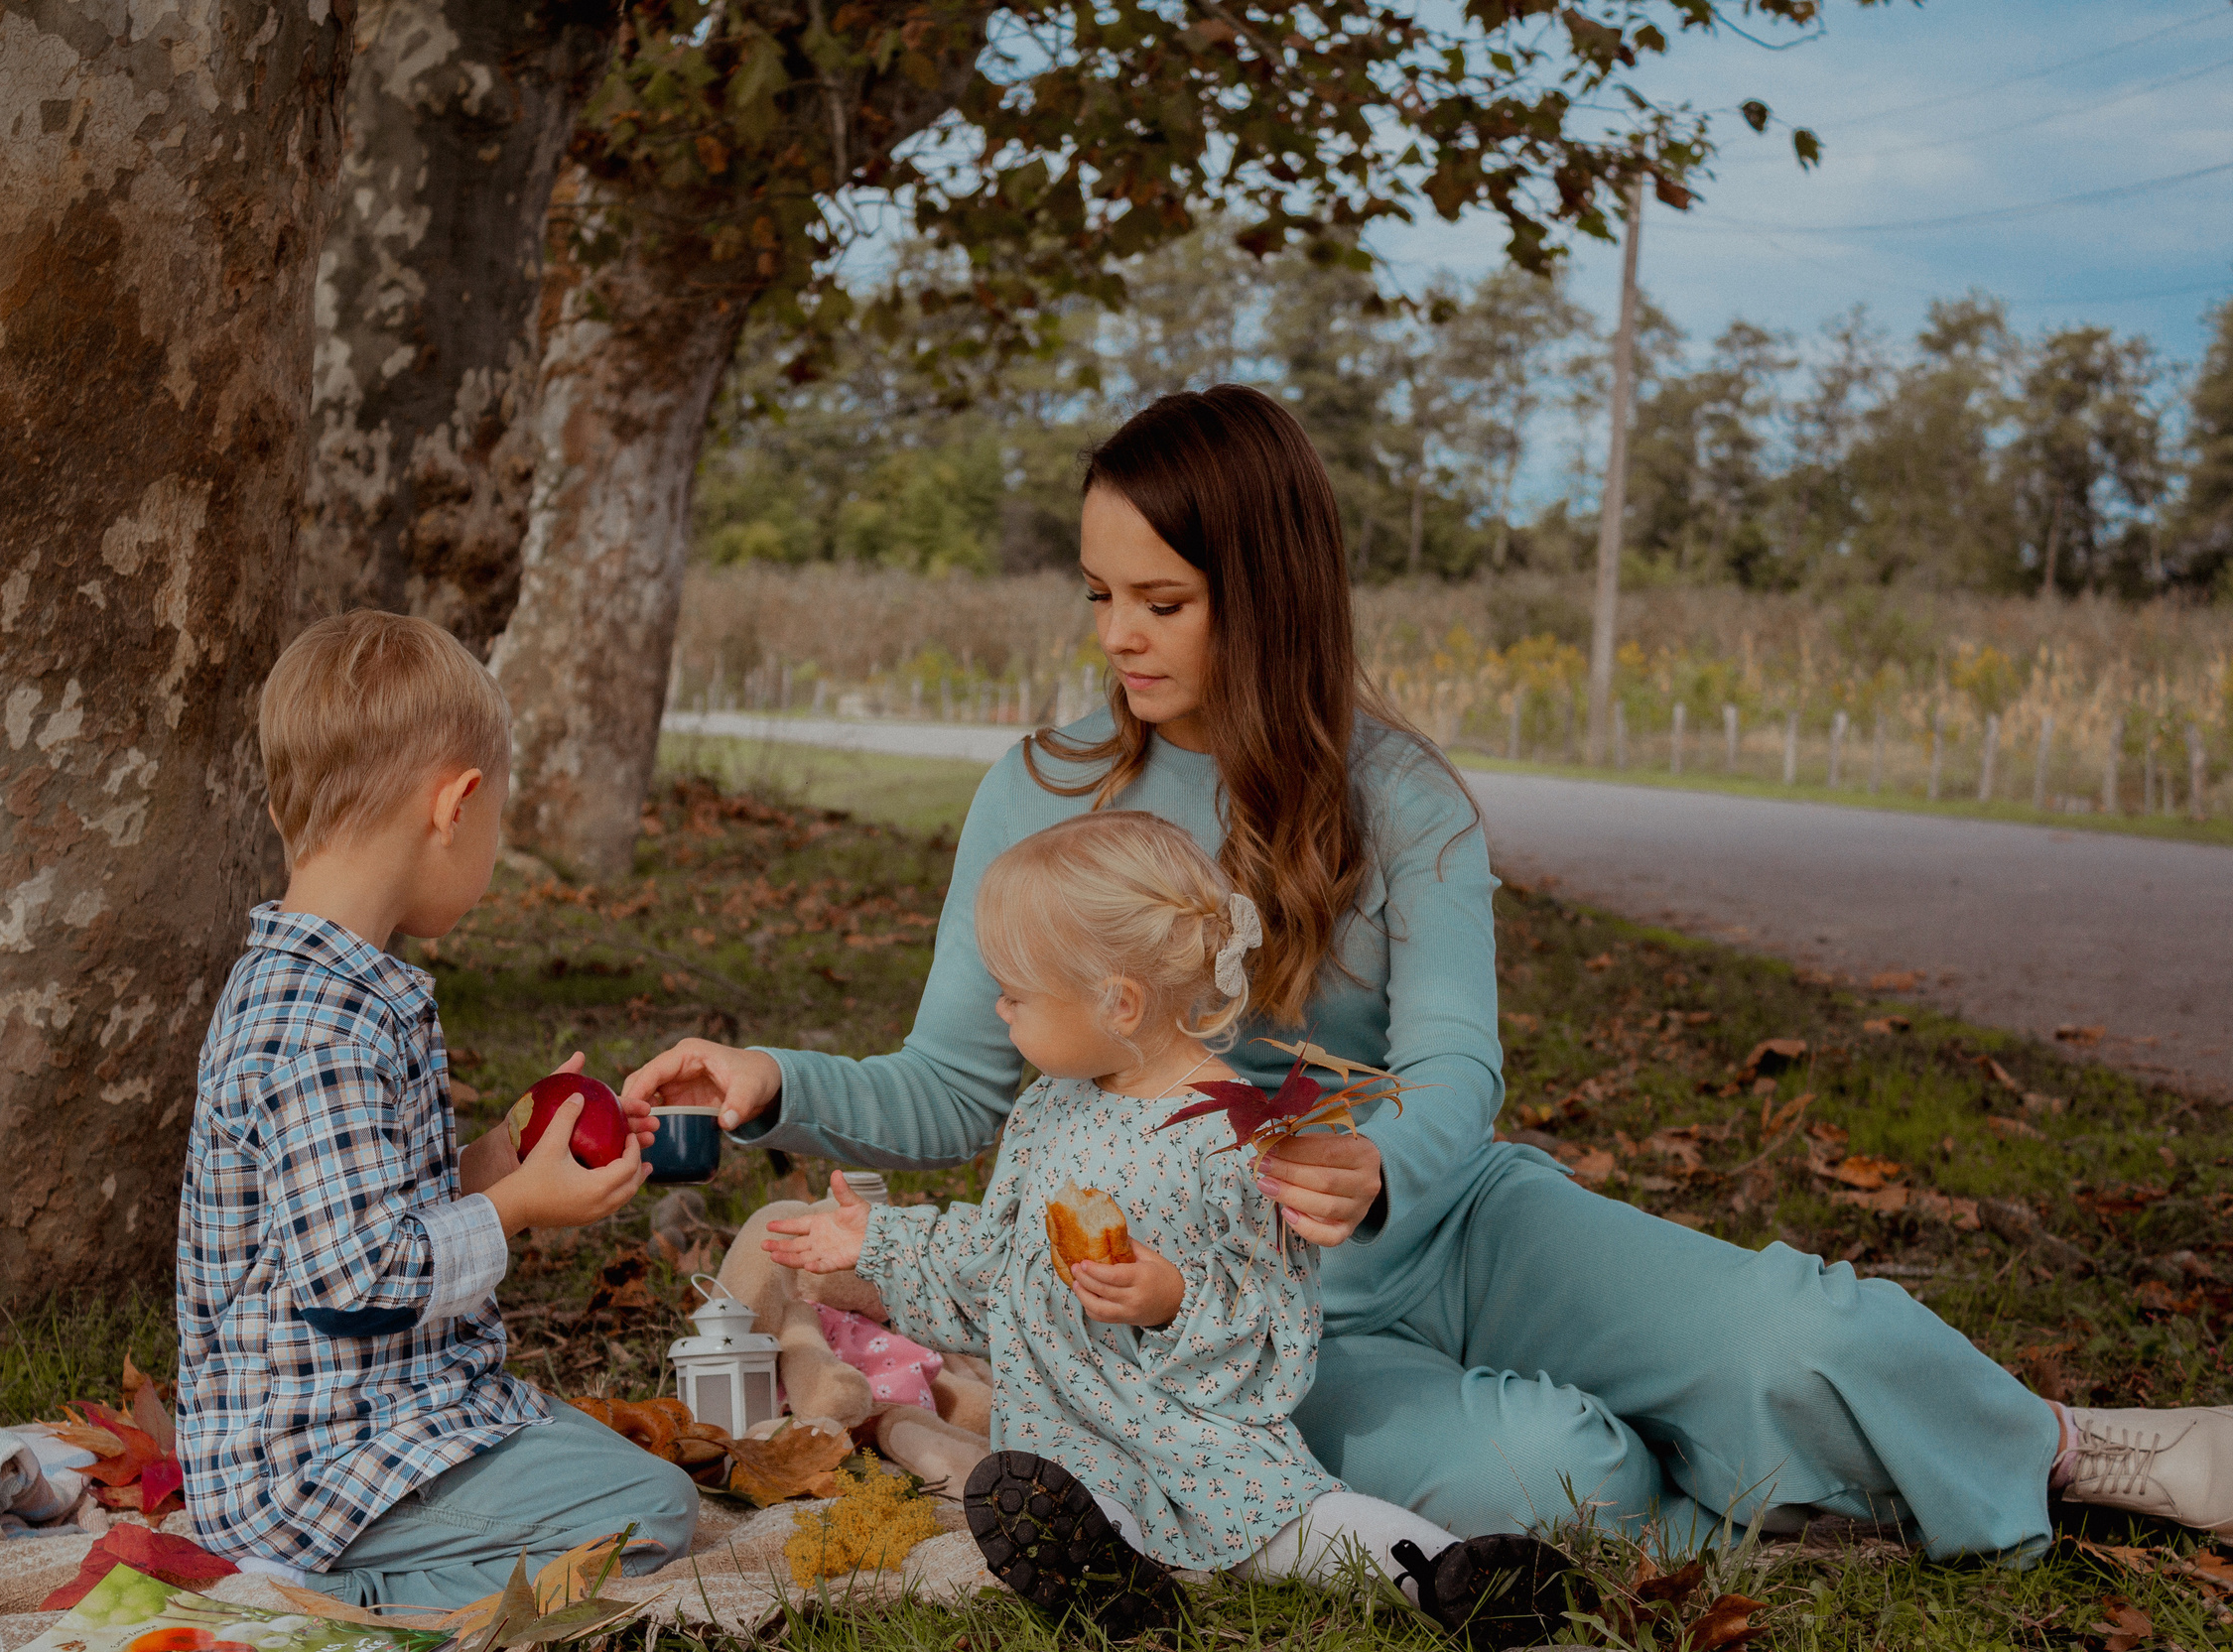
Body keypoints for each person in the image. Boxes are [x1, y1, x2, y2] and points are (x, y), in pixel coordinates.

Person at [625, 386, 2232, 1564]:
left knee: (1783, 1323)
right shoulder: (1040, 794)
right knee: (1558, 1480)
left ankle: (2083, 1448)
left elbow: (1459, 1062)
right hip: (1250, 1320)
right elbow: (954, 1082)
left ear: (1268, 588)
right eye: (1100, 595)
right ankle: (1780, 1516)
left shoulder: (1398, 794)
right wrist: (774, 1084)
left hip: (1453, 1219)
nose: (1119, 635)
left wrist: (1379, 1166)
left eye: (1163, 600)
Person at [760, 811, 1568, 1639]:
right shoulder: (1044, 1110)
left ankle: (1448, 1576)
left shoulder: (1235, 1137)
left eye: (1017, 991)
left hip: (1198, 1431)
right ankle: (1112, 1580)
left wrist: (1171, 1297)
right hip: (1069, 1430)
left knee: (1304, 1518)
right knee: (1063, 1498)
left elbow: (1274, 1318)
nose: (998, 1006)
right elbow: (1000, 1265)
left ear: (1119, 1002)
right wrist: (880, 1244)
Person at [178, 610, 697, 1610]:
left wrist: (499, 1160)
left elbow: (359, 1215)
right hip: (312, 1468)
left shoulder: (348, 989)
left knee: (584, 1451)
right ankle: (329, 1605)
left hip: (392, 1407)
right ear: (455, 806)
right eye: (497, 820)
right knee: (653, 1511)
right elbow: (354, 1275)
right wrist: (516, 1211)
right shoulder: (320, 1028)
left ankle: (390, 1556)